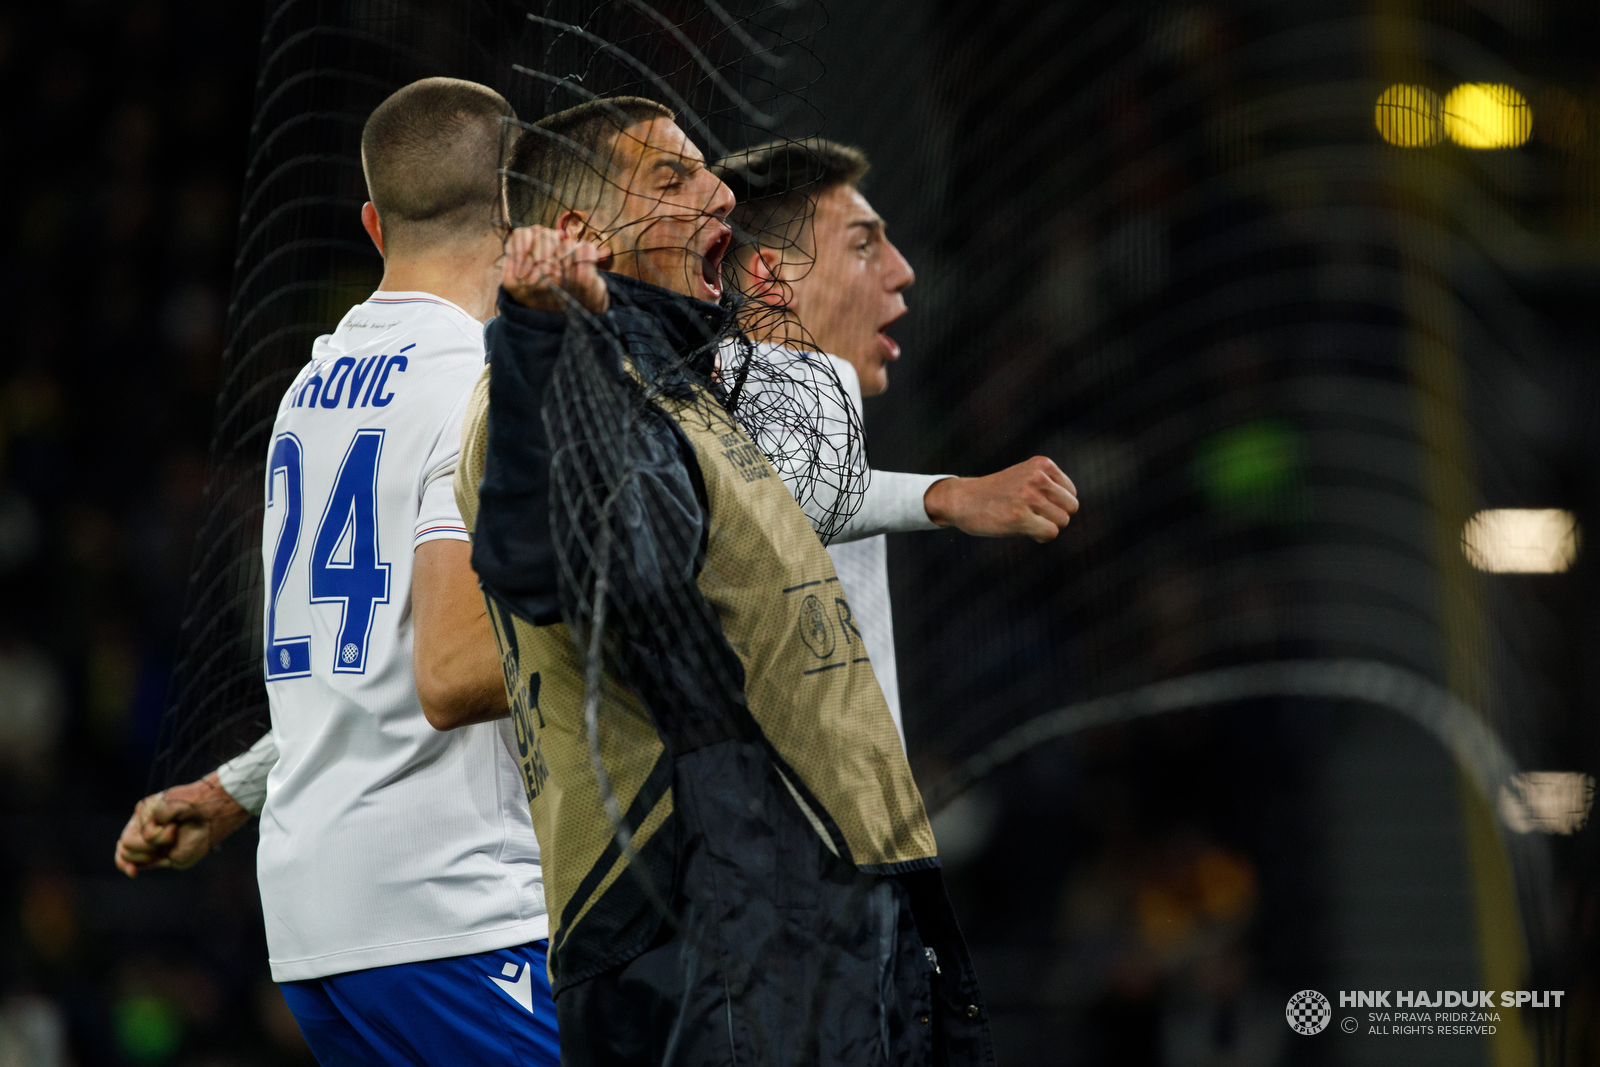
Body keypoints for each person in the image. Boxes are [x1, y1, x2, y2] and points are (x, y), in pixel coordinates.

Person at [456, 95, 995, 1066]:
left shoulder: (691, 393)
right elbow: (535, 571)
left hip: (814, 900)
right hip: (700, 915)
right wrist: (537, 337)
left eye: (707, 170)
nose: (716, 192)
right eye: (670, 178)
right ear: (578, 233)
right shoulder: (555, 383)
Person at [112, 78, 559, 1066]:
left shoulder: (310, 390)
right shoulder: (489, 381)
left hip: (317, 922)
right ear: (516, 204)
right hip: (453, 911)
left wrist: (235, 787)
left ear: (373, 221)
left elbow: (370, 662)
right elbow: (446, 671)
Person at [714, 138, 1079, 742]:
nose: (903, 271)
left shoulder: (805, 401)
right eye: (863, 245)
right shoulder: (762, 380)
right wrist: (950, 496)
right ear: (771, 276)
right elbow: (796, 494)